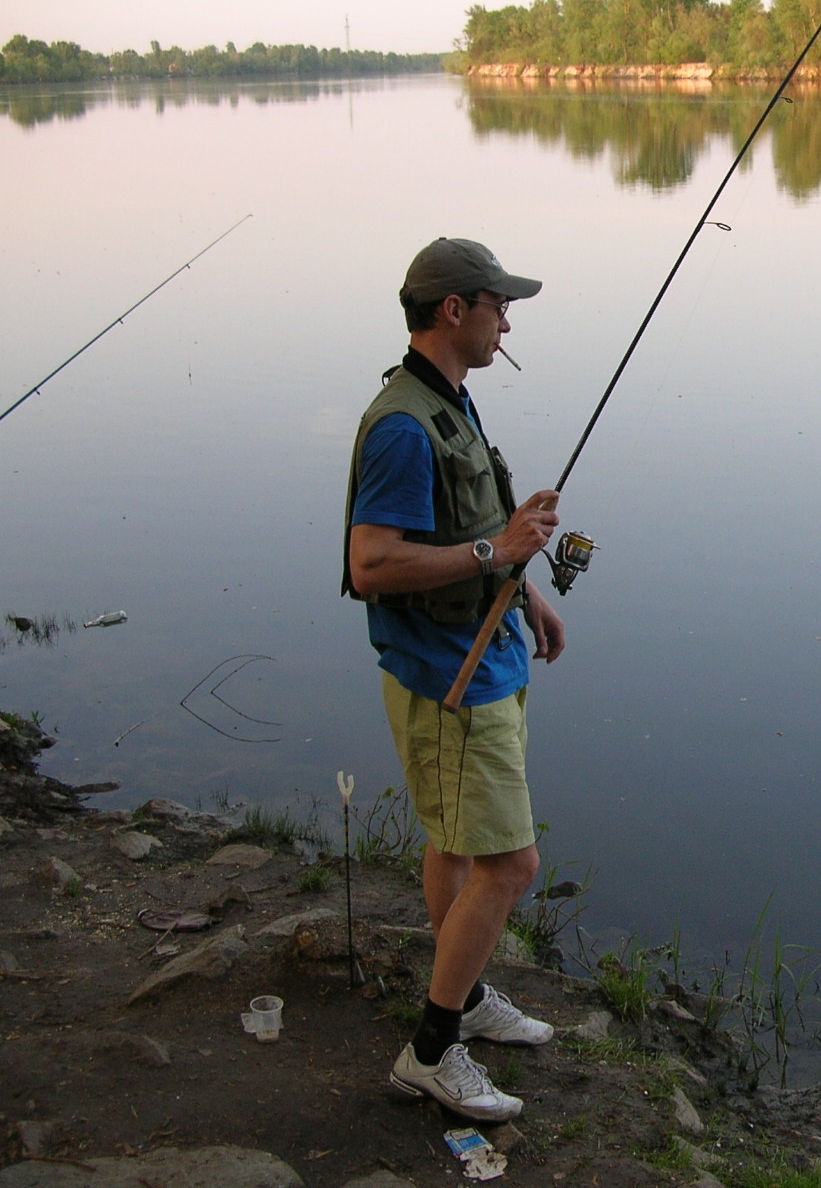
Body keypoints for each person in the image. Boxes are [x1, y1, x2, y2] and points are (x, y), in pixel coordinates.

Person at [342, 237, 565, 1122]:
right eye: (499, 306)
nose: (507, 323)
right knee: (511, 864)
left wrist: (527, 591)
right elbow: (371, 564)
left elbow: (474, 528)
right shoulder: (403, 425)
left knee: (456, 842)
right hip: (449, 679)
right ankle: (431, 1053)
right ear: (454, 310)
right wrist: (494, 551)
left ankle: (465, 998)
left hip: (486, 653)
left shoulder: (449, 401)